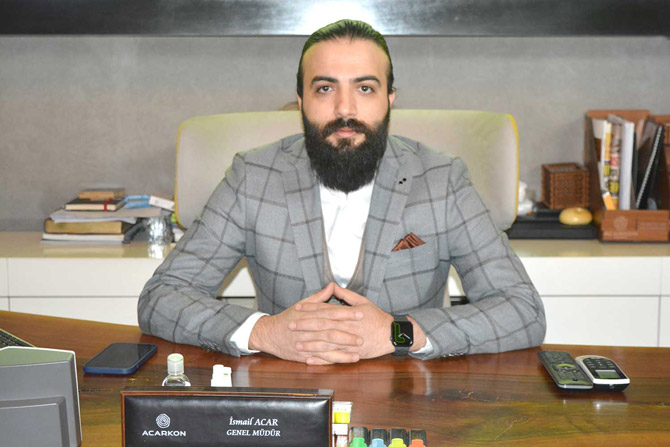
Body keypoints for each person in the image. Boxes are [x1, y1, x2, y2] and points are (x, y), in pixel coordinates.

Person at [138, 19, 545, 365]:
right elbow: (162, 296)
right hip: (287, 390)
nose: (345, 109)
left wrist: (398, 333)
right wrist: (265, 332)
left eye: (365, 88)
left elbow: (522, 310)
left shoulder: (442, 179)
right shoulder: (253, 177)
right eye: (325, 88)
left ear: (390, 99)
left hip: (408, 395)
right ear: (301, 100)